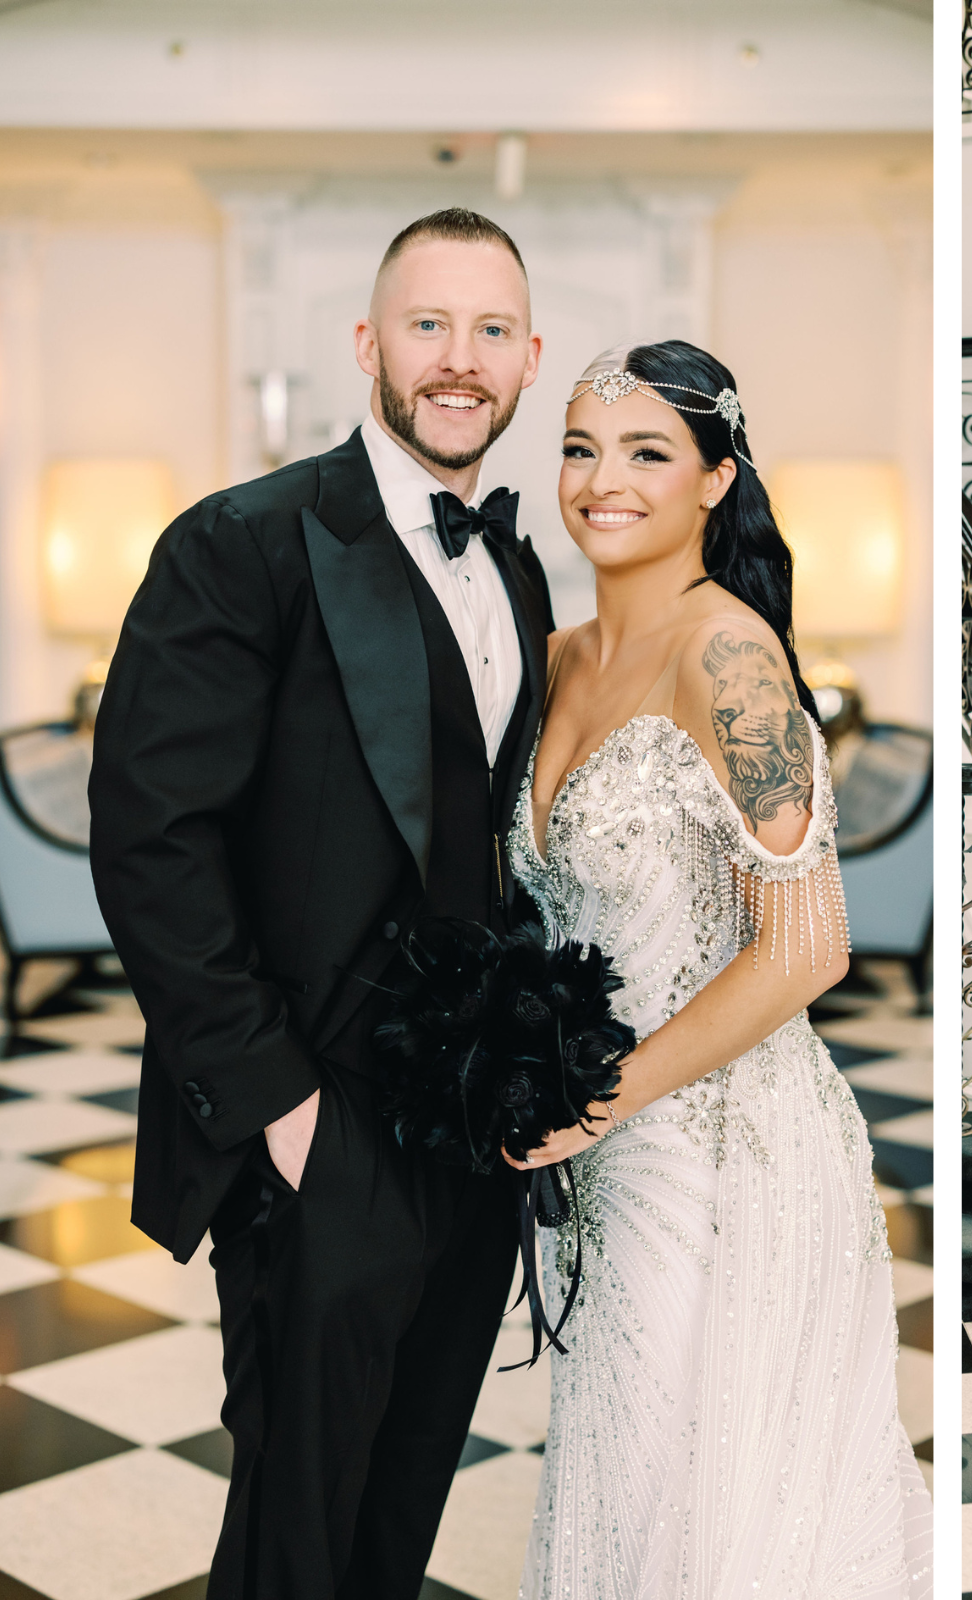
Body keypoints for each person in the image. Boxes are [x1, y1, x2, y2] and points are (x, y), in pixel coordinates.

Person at [90, 208, 553, 1597]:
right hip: (317, 1125)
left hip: (472, 1138)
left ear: (530, 359)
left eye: (489, 332)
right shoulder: (241, 544)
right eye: (428, 324)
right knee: (295, 1531)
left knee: (402, 1507)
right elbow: (151, 842)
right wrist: (287, 1118)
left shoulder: (518, 570)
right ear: (368, 343)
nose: (457, 361)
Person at [506, 340, 931, 1597]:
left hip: (723, 1147)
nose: (602, 479)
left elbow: (808, 943)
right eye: (581, 447)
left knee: (701, 1508)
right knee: (619, 1486)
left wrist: (600, 1096)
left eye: (647, 451)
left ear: (713, 478)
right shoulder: (558, 659)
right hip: (600, 1148)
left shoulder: (727, 656)